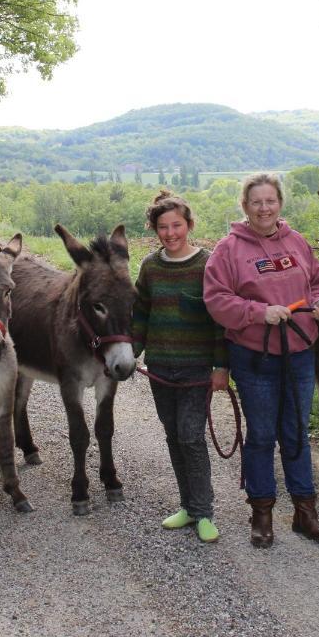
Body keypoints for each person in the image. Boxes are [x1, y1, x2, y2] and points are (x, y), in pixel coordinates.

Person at [203, 172, 319, 548]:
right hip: (255, 356)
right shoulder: (228, 250)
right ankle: (261, 513)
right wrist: (260, 313)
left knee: (295, 434)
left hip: (300, 353)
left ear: (280, 203)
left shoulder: (297, 242)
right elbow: (217, 300)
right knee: (261, 435)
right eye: (256, 202)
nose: (264, 208)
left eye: (270, 201)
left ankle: (304, 512)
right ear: (245, 206)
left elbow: (318, 282)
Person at [132, 190, 229, 543]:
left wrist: (221, 365)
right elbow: (141, 313)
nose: (171, 233)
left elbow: (220, 321)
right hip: (160, 367)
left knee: (191, 437)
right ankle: (187, 507)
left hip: (196, 369)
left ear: (189, 225)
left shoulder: (208, 265)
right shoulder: (150, 267)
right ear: (155, 230)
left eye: (177, 225)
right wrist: (133, 350)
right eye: (163, 227)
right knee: (174, 436)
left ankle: (204, 512)